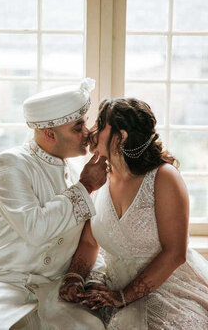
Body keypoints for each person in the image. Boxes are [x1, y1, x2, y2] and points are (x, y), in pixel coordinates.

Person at [0, 79, 108, 329]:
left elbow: (90, 240)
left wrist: (83, 279)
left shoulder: (79, 171)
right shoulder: (8, 164)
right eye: (78, 127)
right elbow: (35, 229)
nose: (87, 133)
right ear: (49, 133)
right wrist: (85, 187)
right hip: (1, 283)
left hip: (55, 289)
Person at [59, 98, 208, 328]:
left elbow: (175, 253)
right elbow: (89, 242)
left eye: (100, 124)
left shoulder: (164, 178)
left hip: (169, 290)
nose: (91, 132)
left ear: (121, 136)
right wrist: (74, 278)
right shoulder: (100, 178)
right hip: (112, 291)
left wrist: (124, 296)